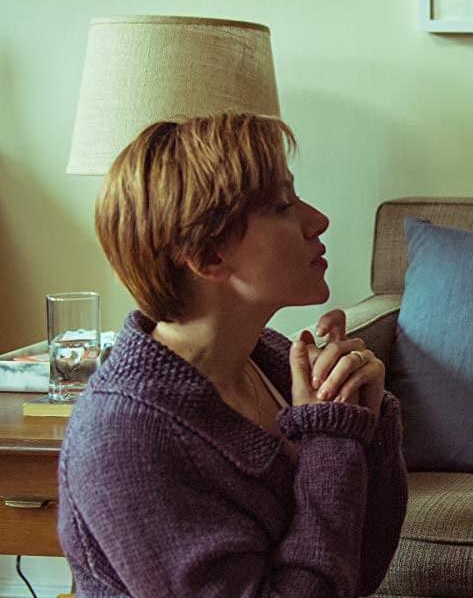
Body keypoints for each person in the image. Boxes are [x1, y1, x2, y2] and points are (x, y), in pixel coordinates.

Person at [58, 113, 407, 597]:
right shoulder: (125, 437)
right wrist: (329, 438)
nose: (318, 221)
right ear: (208, 256)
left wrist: (363, 421)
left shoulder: (270, 360)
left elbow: (360, 571)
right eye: (283, 206)